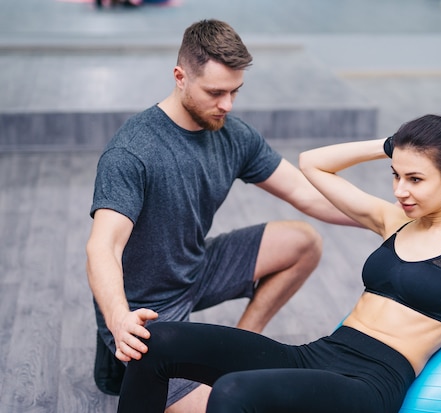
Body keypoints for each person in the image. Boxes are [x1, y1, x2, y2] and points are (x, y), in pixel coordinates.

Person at [115, 113, 441, 413]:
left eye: (416, 179)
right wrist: (393, 146)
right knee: (155, 343)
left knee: (231, 393)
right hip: (321, 354)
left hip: (370, 386)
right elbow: (314, 165)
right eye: (396, 175)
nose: (400, 190)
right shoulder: (393, 222)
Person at [85, 19, 359, 412]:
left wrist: (387, 218)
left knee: (303, 241)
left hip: (195, 268)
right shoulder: (132, 151)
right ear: (180, 77)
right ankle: (119, 351)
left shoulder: (231, 132)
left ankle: (236, 353)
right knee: (227, 407)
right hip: (144, 308)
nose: (227, 104)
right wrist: (117, 317)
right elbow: (102, 247)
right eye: (216, 92)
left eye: (235, 91)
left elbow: (305, 192)